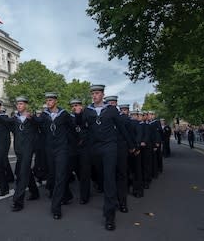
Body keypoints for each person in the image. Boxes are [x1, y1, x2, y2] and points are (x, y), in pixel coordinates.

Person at [82, 84, 133, 231]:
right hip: (95, 149)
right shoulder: (87, 111)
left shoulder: (111, 110)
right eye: (93, 93)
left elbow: (122, 128)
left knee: (110, 179)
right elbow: (84, 129)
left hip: (110, 147)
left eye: (97, 93)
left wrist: (131, 145)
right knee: (103, 179)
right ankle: (111, 201)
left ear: (102, 95)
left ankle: (110, 216)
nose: (94, 96)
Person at [0, 96, 39, 212]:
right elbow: (5, 121)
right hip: (18, 150)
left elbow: (40, 126)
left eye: (21, 104)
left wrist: (33, 119)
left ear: (26, 105)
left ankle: (18, 201)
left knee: (22, 174)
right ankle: (35, 192)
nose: (19, 106)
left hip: (28, 150)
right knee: (26, 171)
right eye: (18, 104)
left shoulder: (31, 118)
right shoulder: (15, 118)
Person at [34, 92, 73, 219]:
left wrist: (72, 145)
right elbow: (37, 123)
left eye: (50, 100)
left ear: (56, 101)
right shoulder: (45, 115)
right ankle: (67, 195)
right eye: (47, 100)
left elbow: (72, 129)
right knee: (55, 175)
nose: (48, 102)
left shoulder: (64, 114)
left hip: (62, 149)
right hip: (49, 150)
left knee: (60, 176)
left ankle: (56, 208)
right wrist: (30, 117)